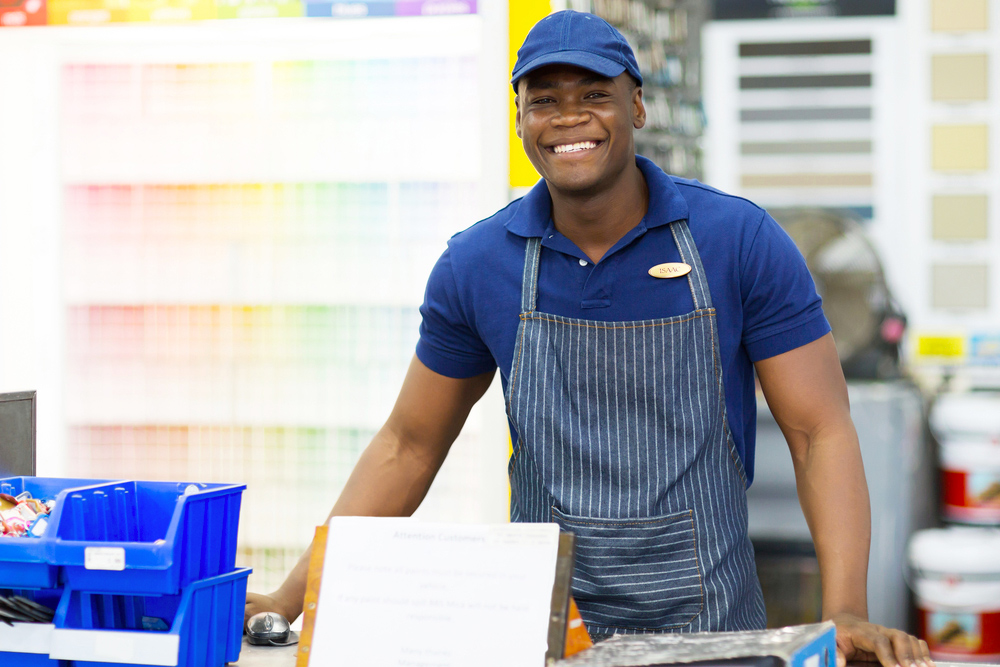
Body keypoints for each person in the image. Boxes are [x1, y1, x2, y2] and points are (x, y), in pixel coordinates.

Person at [247, 10, 932, 667]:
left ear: (637, 105)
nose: (569, 117)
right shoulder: (478, 263)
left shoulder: (738, 241)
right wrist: (293, 596)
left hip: (713, 630)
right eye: (544, 100)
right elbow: (408, 444)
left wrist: (844, 607)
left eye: (594, 94)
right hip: (542, 630)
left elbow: (820, 431)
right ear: (520, 118)